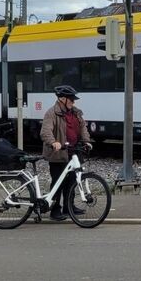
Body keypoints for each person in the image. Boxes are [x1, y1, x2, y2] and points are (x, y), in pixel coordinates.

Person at [39, 85, 92, 221]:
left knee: (73, 180)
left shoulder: (76, 113)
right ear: (62, 99)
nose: (74, 102)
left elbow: (83, 128)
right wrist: (53, 142)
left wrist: (86, 141)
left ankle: (69, 207)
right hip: (59, 153)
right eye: (71, 100)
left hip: (74, 152)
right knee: (58, 182)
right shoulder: (52, 113)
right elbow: (45, 131)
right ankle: (55, 210)